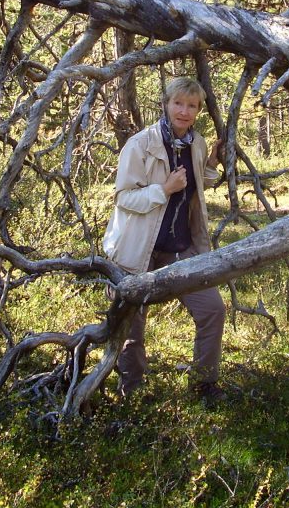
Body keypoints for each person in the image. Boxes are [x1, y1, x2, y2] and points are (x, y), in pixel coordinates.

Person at [103, 77, 226, 401]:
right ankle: (132, 389)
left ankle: (204, 384)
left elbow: (199, 184)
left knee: (212, 308)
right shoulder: (141, 145)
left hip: (180, 249)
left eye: (192, 106)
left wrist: (213, 161)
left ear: (198, 110)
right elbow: (124, 198)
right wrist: (163, 190)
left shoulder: (196, 144)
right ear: (166, 104)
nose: (184, 112)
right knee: (131, 324)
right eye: (178, 103)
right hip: (137, 251)